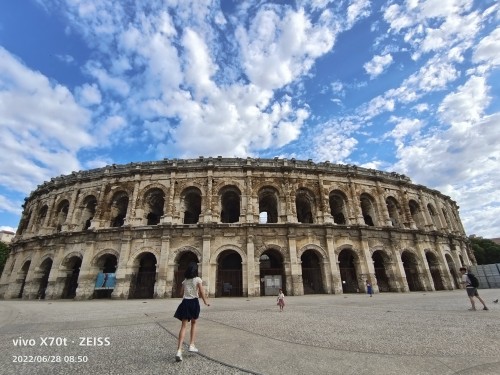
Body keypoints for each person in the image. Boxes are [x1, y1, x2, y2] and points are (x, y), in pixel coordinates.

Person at [174, 262, 210, 362]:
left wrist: (187, 291)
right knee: (194, 323)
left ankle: (179, 350)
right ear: (195, 270)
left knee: (184, 326)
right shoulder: (198, 279)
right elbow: (202, 292)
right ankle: (191, 345)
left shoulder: (184, 281)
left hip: (185, 302)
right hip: (194, 302)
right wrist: (205, 301)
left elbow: (181, 293)